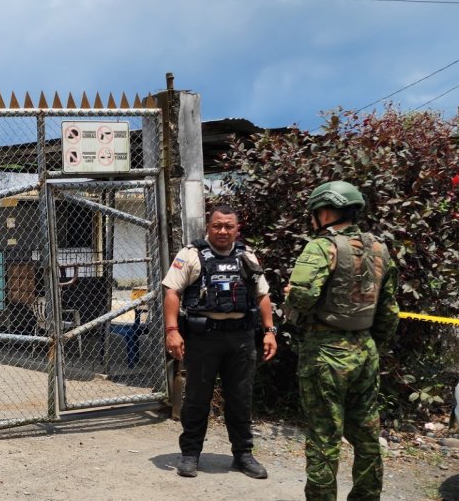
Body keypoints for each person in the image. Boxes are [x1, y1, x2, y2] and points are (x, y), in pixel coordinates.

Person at [284, 181, 398, 501]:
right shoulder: (379, 248)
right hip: (365, 352)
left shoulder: (321, 246)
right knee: (366, 436)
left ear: (324, 212)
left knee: (324, 437)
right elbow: (389, 311)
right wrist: (369, 343)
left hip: (326, 352)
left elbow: (303, 296)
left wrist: (292, 307)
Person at [163, 204, 277, 479]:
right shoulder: (190, 255)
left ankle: (243, 455)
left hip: (241, 338)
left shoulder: (246, 256)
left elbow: (262, 295)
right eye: (217, 225)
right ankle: (190, 454)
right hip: (204, 338)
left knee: (240, 397)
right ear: (208, 227)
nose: (223, 230)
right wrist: (172, 330)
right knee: (196, 399)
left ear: (237, 229)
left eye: (229, 226)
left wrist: (270, 331)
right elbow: (172, 292)